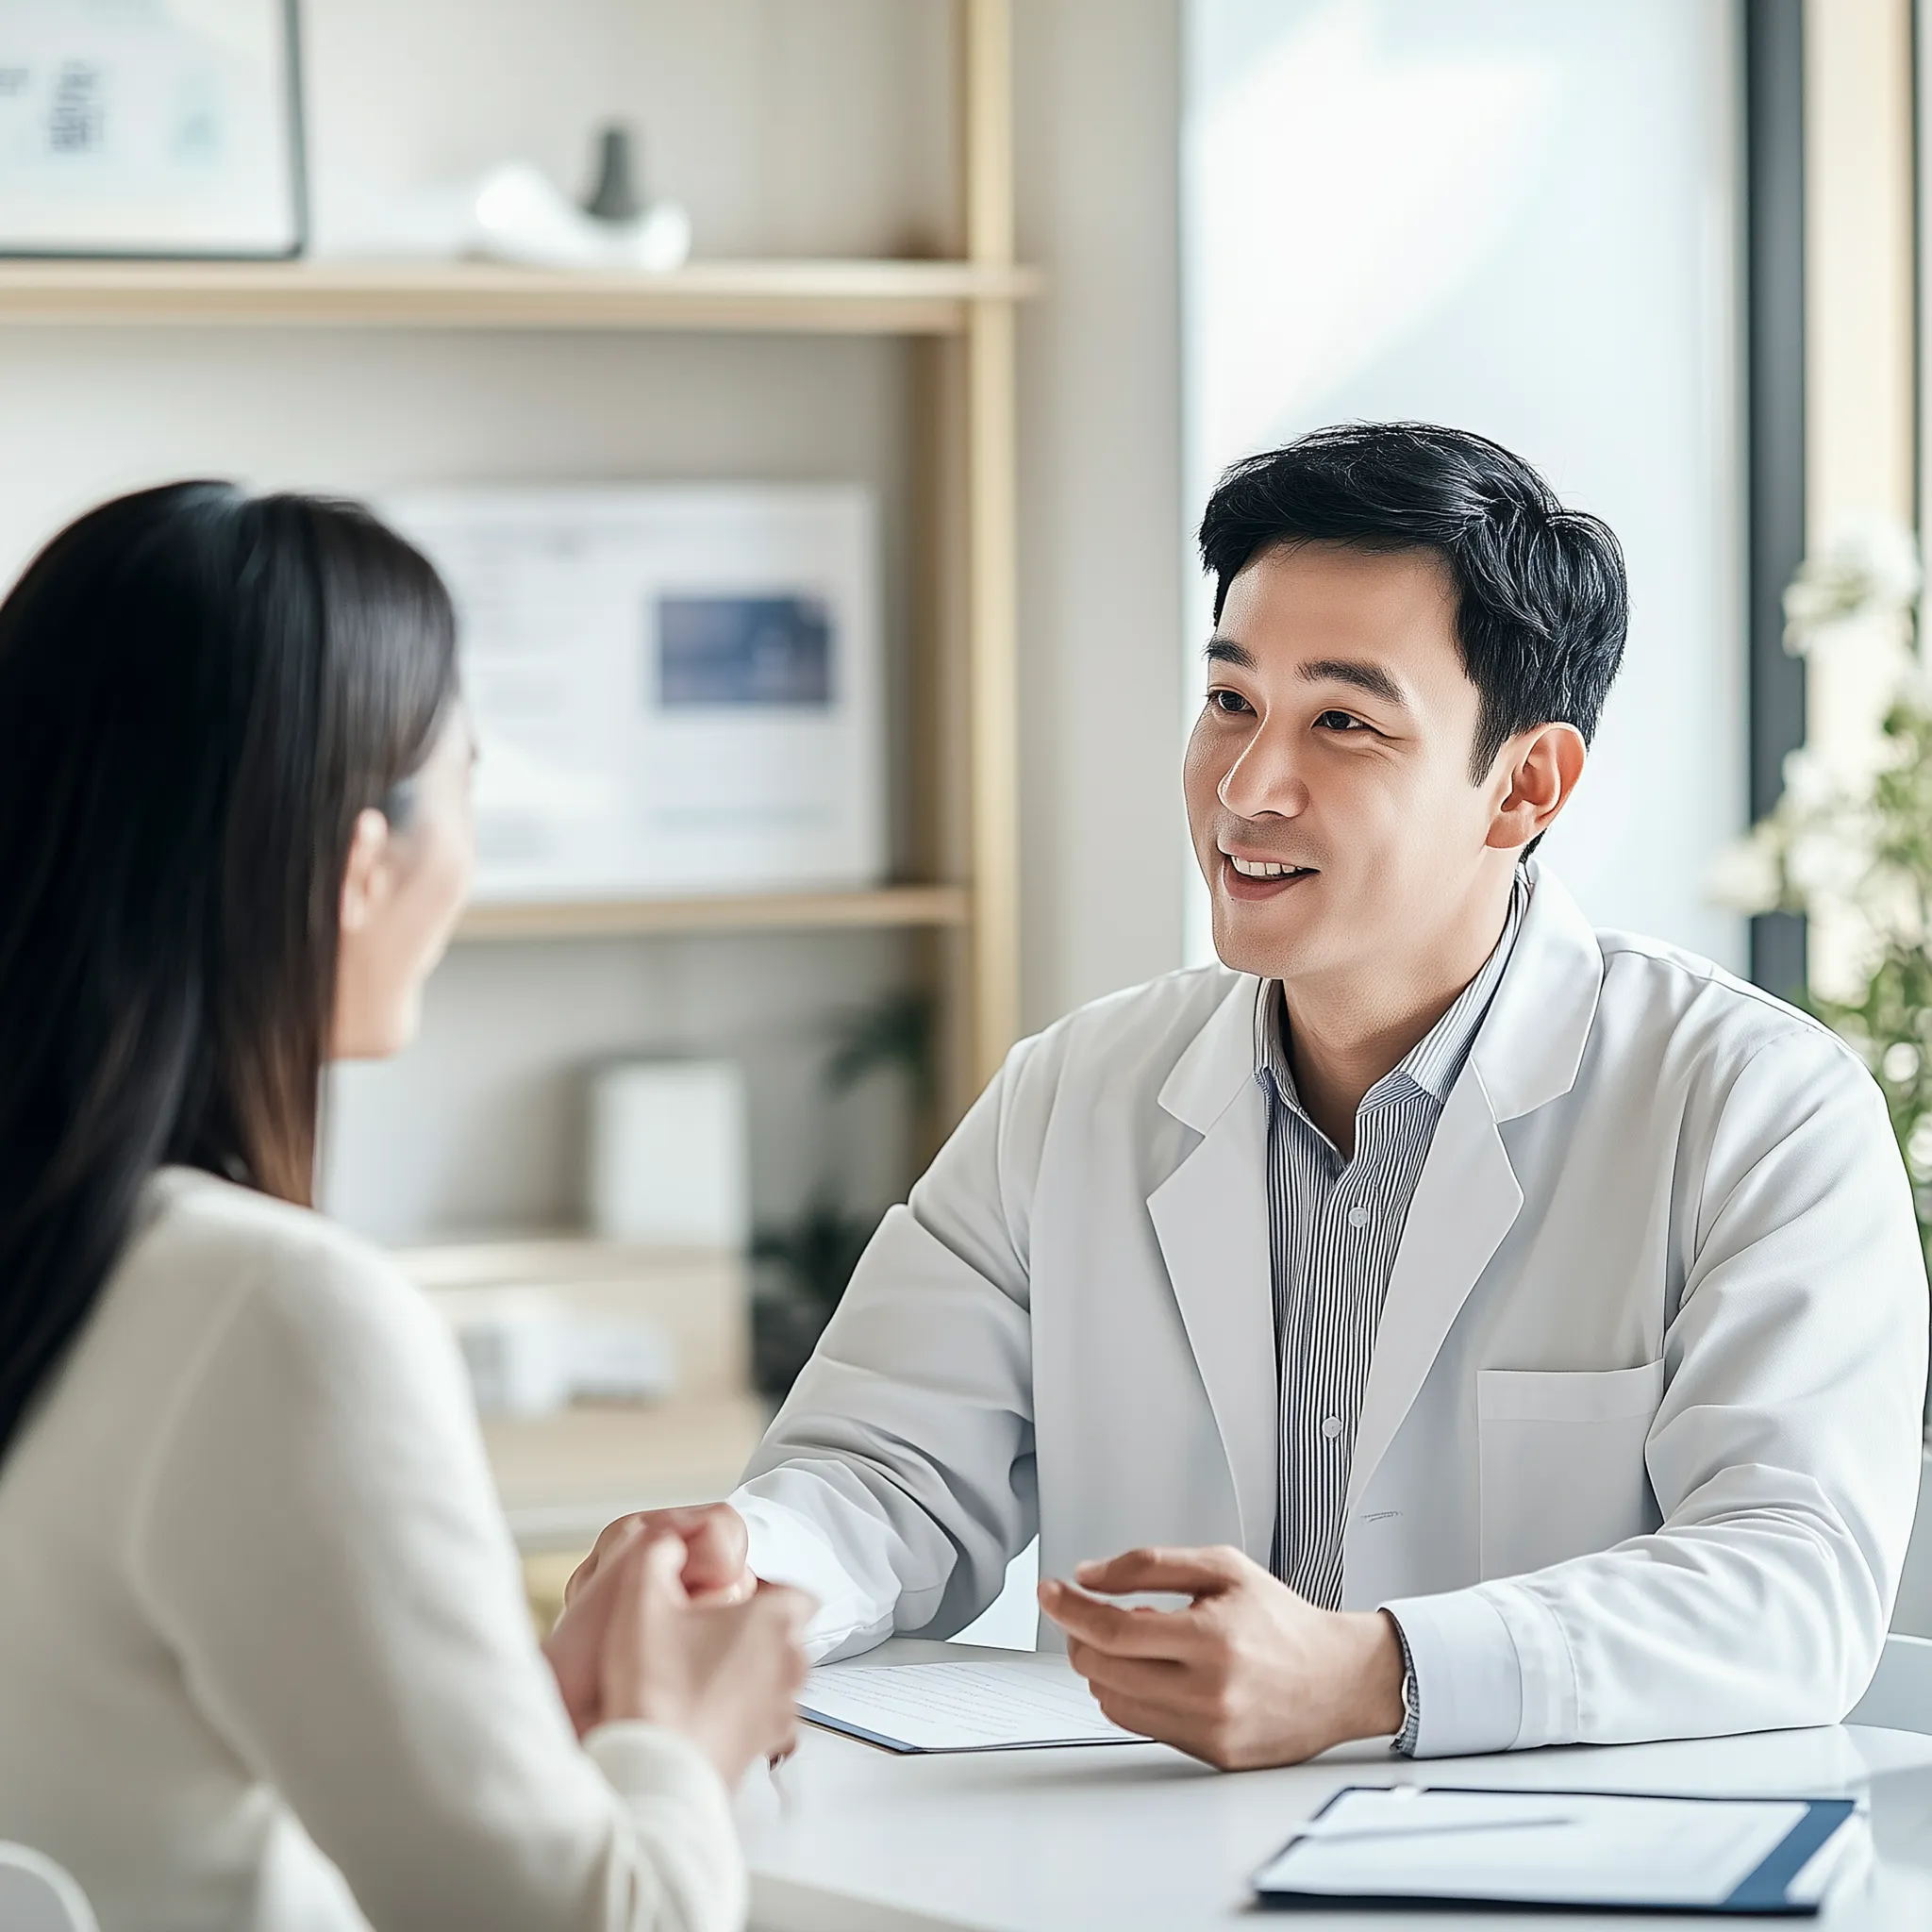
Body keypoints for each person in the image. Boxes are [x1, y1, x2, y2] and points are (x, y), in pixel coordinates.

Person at [572, 422, 1929, 1770]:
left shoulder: (1756, 1110)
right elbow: (888, 1477)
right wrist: (742, 1554)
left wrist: (1373, 1673)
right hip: (1158, 1877)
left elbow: (1790, 1584)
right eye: (1230, 701)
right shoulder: (1077, 1091)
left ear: (1525, 785)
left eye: (1341, 722)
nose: (1245, 786)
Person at [0, 484, 809, 1930]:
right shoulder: (264, 1314)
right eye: (467, 789)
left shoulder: (89, 1272)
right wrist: (687, 1732)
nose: (470, 864)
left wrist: (543, 1733)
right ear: (361, 864)